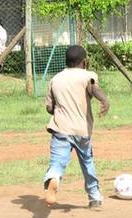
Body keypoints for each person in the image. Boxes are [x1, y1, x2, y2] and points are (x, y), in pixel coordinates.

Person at [43, 45, 110, 209]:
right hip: (82, 131)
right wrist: (104, 100)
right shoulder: (88, 76)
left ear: (66, 61)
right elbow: (94, 88)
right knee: (87, 162)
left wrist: (60, 107)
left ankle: (54, 179)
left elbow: (49, 108)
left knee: (57, 162)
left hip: (60, 129)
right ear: (84, 62)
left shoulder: (56, 79)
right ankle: (94, 197)